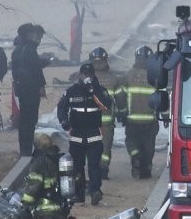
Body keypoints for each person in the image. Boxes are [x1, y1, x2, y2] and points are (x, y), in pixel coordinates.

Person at [58, 62, 113, 205]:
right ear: (80, 75)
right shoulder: (72, 91)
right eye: (85, 74)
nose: (87, 77)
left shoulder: (99, 90)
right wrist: (64, 121)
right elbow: (62, 107)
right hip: (77, 135)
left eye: (89, 75)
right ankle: (79, 194)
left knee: (94, 165)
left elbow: (107, 105)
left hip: (94, 134)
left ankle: (95, 191)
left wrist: (93, 91)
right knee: (77, 166)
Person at [12, 23, 49, 157]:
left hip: (22, 88)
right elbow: (35, 69)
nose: (36, 37)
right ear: (28, 35)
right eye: (33, 33)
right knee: (30, 120)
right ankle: (27, 150)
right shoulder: (28, 49)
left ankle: (25, 149)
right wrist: (41, 85)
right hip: (30, 89)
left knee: (24, 120)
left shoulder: (18, 49)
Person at [122, 45, 158, 179]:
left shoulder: (128, 76)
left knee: (132, 141)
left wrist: (121, 112)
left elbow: (121, 96)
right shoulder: (155, 77)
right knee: (149, 145)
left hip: (132, 119)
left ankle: (135, 156)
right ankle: (147, 168)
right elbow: (162, 97)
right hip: (150, 120)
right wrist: (165, 116)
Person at [89, 47, 124, 180]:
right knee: (105, 148)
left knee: (91, 147)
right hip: (106, 123)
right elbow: (120, 99)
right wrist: (122, 112)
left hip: (89, 122)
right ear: (106, 60)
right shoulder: (113, 79)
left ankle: (93, 170)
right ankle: (103, 170)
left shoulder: (84, 79)